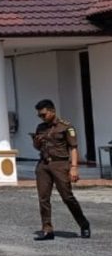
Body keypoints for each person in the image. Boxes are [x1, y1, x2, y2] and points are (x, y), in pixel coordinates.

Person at [31, 99, 90, 241]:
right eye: (39, 115)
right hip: (43, 165)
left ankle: (84, 224)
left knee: (67, 197)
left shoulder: (66, 126)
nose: (41, 117)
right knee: (43, 198)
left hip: (60, 165)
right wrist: (36, 142)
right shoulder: (41, 127)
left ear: (52, 111)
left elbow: (73, 148)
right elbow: (37, 147)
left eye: (43, 114)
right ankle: (47, 229)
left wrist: (74, 168)